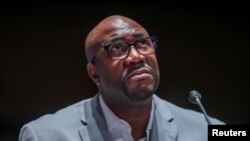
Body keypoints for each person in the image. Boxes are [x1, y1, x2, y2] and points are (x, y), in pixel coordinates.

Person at [19, 15, 224, 141]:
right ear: (94, 73)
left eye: (143, 44)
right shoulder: (44, 135)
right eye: (117, 48)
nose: (136, 57)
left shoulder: (209, 130)